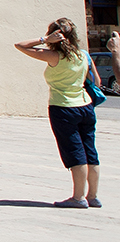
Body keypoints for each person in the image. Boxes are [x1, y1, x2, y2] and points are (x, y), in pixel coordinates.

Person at [16, 18, 101, 209]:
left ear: (56, 36)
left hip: (63, 108)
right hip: (86, 106)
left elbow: (20, 45)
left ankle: (78, 197)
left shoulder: (53, 56)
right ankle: (93, 196)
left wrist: (45, 38)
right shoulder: (84, 55)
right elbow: (97, 82)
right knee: (90, 151)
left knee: (75, 152)